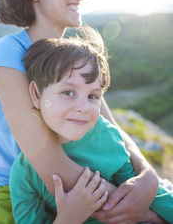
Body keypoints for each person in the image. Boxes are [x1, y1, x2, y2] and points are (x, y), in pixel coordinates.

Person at [0, 0, 160, 224]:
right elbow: (52, 168)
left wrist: (148, 176)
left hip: (82, 191)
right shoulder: (7, 52)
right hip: (15, 199)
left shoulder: (73, 58)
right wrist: (148, 214)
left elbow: (112, 129)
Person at [10, 26, 172, 224]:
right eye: (68, 92)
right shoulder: (24, 173)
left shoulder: (106, 135)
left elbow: (141, 195)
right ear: (36, 94)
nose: (83, 107)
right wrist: (69, 217)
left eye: (93, 96)